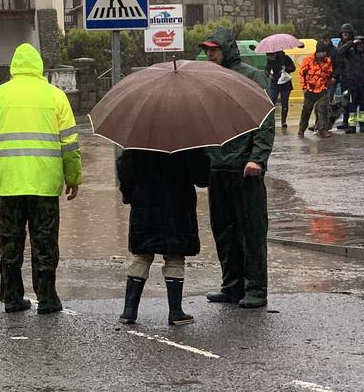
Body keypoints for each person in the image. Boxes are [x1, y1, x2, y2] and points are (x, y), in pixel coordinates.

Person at [0, 43, 82, 315]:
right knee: (45, 243)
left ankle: (12, 297)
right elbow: (70, 144)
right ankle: (47, 299)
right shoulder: (56, 97)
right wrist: (73, 177)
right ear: (38, 68)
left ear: (13, 68)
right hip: (45, 185)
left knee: (10, 243)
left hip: (9, 184)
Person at [199, 27, 274, 309]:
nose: (210, 55)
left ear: (227, 49)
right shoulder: (207, 80)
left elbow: (265, 120)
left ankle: (255, 287)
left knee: (251, 231)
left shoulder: (253, 78)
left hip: (245, 167)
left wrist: (258, 158)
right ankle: (232, 285)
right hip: (218, 167)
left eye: (214, 50)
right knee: (224, 231)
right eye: (207, 50)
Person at [116, 148, 210, 327]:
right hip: (178, 205)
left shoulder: (139, 138)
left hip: (144, 205)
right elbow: (202, 178)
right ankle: (175, 312)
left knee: (142, 256)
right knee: (175, 256)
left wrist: (129, 195)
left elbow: (124, 167)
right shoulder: (188, 139)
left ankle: (129, 310)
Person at [297, 46, 334, 139]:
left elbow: (329, 75)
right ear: (317, 52)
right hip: (309, 90)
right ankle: (301, 129)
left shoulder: (328, 61)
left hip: (322, 90)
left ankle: (323, 129)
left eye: (325, 52)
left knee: (323, 109)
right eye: (322, 52)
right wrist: (304, 88)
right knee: (306, 110)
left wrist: (326, 86)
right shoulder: (308, 60)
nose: (324, 54)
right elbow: (302, 74)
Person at [341, 37, 364, 134]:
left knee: (363, 106)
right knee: (352, 106)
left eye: (362, 44)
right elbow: (340, 52)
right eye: (358, 44)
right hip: (353, 84)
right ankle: (352, 126)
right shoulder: (350, 54)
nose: (360, 46)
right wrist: (350, 43)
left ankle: (362, 125)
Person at [265, 51, 296, 131]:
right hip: (275, 83)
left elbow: (293, 68)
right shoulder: (270, 60)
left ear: (274, 54)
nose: (269, 58)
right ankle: (270, 120)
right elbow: (267, 69)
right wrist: (269, 75)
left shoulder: (286, 58)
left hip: (285, 83)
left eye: (270, 56)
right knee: (272, 102)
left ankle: (283, 121)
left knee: (284, 103)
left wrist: (286, 69)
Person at [333, 24, 356, 130]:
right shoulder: (342, 44)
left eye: (347, 32)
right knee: (345, 101)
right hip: (344, 77)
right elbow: (339, 53)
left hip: (355, 77)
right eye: (343, 32)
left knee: (355, 101)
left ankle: (355, 123)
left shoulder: (356, 43)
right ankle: (346, 121)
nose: (345, 34)